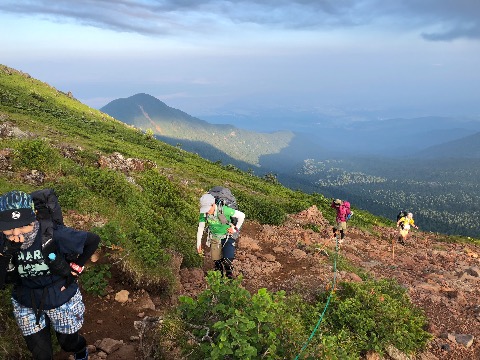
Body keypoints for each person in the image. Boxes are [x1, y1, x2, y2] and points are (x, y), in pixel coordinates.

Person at [0, 190, 100, 360]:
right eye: (9, 228)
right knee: (41, 355)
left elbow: (92, 240)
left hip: (60, 296)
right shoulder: (2, 242)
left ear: (33, 219)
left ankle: (80, 350)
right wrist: (6, 254)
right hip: (26, 301)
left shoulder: (54, 234)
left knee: (68, 343)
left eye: (23, 225)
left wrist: (77, 267)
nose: (17, 233)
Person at [196, 193, 245, 279]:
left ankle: (229, 272)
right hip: (215, 237)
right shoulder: (204, 213)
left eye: (208, 209)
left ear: (213, 204)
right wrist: (198, 244)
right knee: (216, 261)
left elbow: (242, 215)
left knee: (227, 259)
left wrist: (235, 229)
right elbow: (201, 227)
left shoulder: (224, 210)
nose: (207, 211)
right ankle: (220, 278)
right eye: (205, 209)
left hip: (227, 236)